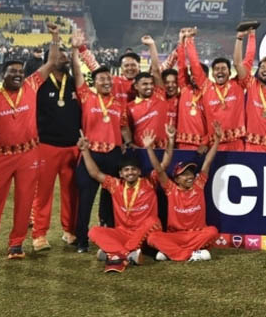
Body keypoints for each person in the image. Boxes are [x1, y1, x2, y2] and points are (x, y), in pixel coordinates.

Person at [0, 23, 60, 260]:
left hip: (28, 154)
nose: (18, 75)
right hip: (0, 156)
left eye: (20, 72)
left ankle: (16, 244)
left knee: (24, 200)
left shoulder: (31, 85)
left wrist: (54, 36)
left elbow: (51, 63)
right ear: (3, 75)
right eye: (12, 72)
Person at [71, 38, 126, 254]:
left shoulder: (118, 104)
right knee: (86, 199)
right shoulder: (86, 96)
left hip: (112, 155)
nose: (106, 82)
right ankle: (82, 240)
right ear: (94, 81)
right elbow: (77, 72)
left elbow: (123, 128)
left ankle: (108, 235)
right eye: (101, 79)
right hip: (90, 154)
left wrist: (128, 143)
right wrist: (77, 50)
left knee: (110, 200)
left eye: (108, 79)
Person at [77, 132, 160, 273]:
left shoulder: (149, 182)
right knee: (94, 231)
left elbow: (160, 168)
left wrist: (150, 148)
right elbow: (95, 173)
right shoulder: (115, 185)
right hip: (123, 234)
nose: (130, 173)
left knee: (152, 221)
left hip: (144, 234)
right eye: (126, 170)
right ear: (121, 174)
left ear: (139, 171)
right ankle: (128, 254)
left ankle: (115, 253)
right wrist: (85, 150)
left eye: (133, 169)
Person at [31, 39, 83, 251]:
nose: (66, 58)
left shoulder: (74, 82)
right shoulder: (39, 84)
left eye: (66, 55)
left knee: (72, 192)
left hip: (72, 146)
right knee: (43, 193)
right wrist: (55, 39)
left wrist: (75, 49)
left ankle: (69, 230)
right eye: (61, 55)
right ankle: (39, 235)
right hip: (47, 146)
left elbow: (77, 67)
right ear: (50, 61)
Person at [146, 124, 220, 262]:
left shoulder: (198, 185)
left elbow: (208, 162)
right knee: (152, 238)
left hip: (196, 234)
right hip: (176, 236)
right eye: (184, 174)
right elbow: (159, 170)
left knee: (212, 231)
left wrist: (217, 141)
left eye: (191, 173)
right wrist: (149, 148)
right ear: (177, 179)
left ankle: (171, 252)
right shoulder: (170, 189)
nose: (190, 176)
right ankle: (191, 254)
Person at [185, 27, 255, 151]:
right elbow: (195, 64)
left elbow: (248, 60)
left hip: (236, 144)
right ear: (212, 73)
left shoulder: (238, 84)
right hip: (215, 145)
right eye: (217, 69)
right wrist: (190, 40)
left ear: (229, 72)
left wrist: (251, 36)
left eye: (223, 69)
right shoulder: (206, 87)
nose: (220, 72)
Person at [122, 36, 167, 150]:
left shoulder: (159, 95)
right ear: (136, 86)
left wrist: (152, 45)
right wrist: (129, 143)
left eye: (151, 84)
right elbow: (124, 126)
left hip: (162, 149)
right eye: (145, 84)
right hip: (140, 150)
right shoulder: (129, 106)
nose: (150, 87)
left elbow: (156, 71)